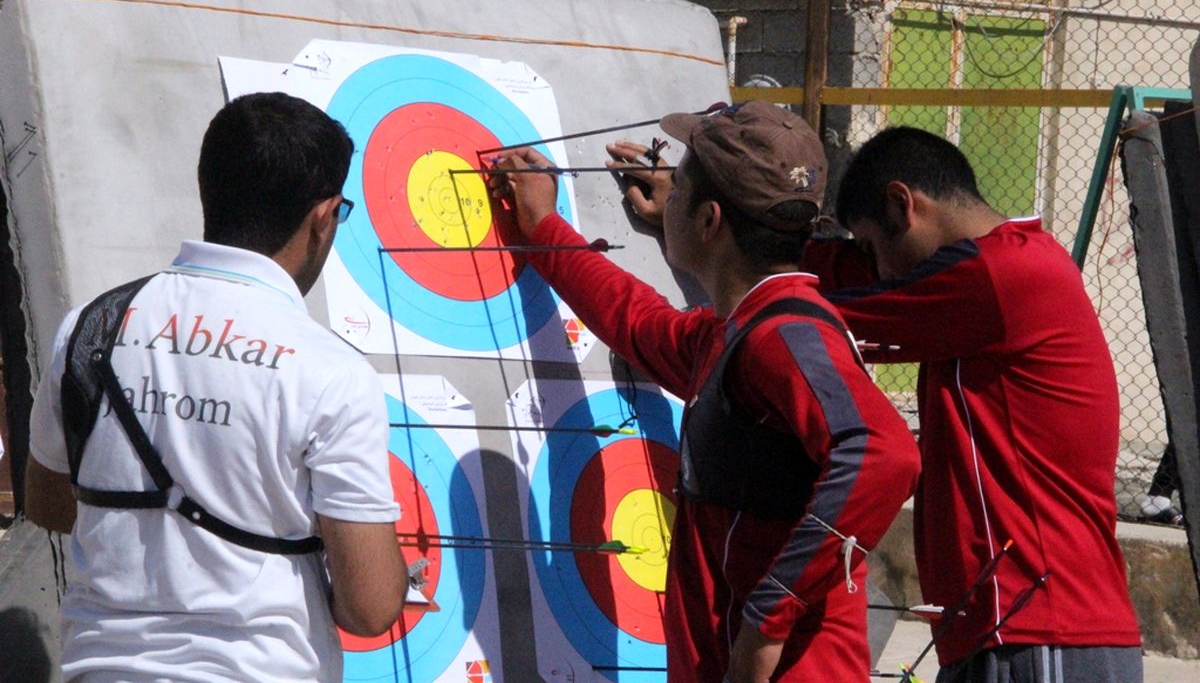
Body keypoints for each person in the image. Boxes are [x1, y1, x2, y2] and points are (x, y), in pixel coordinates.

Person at [608, 123, 1143, 682]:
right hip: (1010, 625)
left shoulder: (996, 278)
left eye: (871, 247)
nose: (878, 270)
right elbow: (824, 272)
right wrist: (703, 218)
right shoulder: (993, 267)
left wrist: (716, 232)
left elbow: (790, 308)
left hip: (1041, 627)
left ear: (901, 204)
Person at [488, 101, 921, 683]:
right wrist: (544, 228)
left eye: (679, 187)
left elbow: (881, 453)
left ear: (709, 220)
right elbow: (638, 322)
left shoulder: (785, 335)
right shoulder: (742, 331)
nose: (668, 197)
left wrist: (770, 614)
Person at [25, 92, 407, 683]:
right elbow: (371, 607)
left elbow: (48, 502)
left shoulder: (92, 323)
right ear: (324, 216)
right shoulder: (330, 370)